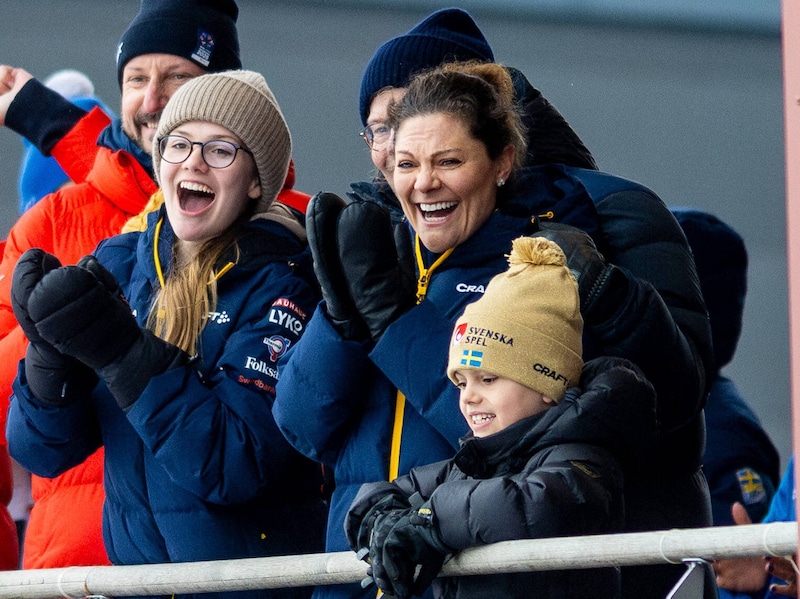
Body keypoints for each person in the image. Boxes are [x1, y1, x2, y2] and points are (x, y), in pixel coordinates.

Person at [274, 56, 712, 599]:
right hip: (365, 579)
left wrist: (395, 324)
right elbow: (298, 429)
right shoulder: (375, 250)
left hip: (473, 577)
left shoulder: (535, 268)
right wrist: (340, 323)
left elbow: (526, 444)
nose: (423, 182)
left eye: (448, 160)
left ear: (502, 161)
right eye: (403, 159)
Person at [7, 69, 326, 599]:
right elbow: (42, 452)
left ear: (255, 181)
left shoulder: (286, 287)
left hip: (251, 590)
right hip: (141, 585)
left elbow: (233, 462)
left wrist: (121, 351)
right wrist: (48, 349)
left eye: (220, 149)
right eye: (178, 144)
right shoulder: (119, 263)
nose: (193, 162)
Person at [344, 235, 658, 599]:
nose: (469, 397)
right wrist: (381, 517)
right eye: (461, 382)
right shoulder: (473, 464)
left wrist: (430, 521)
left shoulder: (585, 456)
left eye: (488, 379)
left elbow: (536, 505)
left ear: (546, 382)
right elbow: (387, 493)